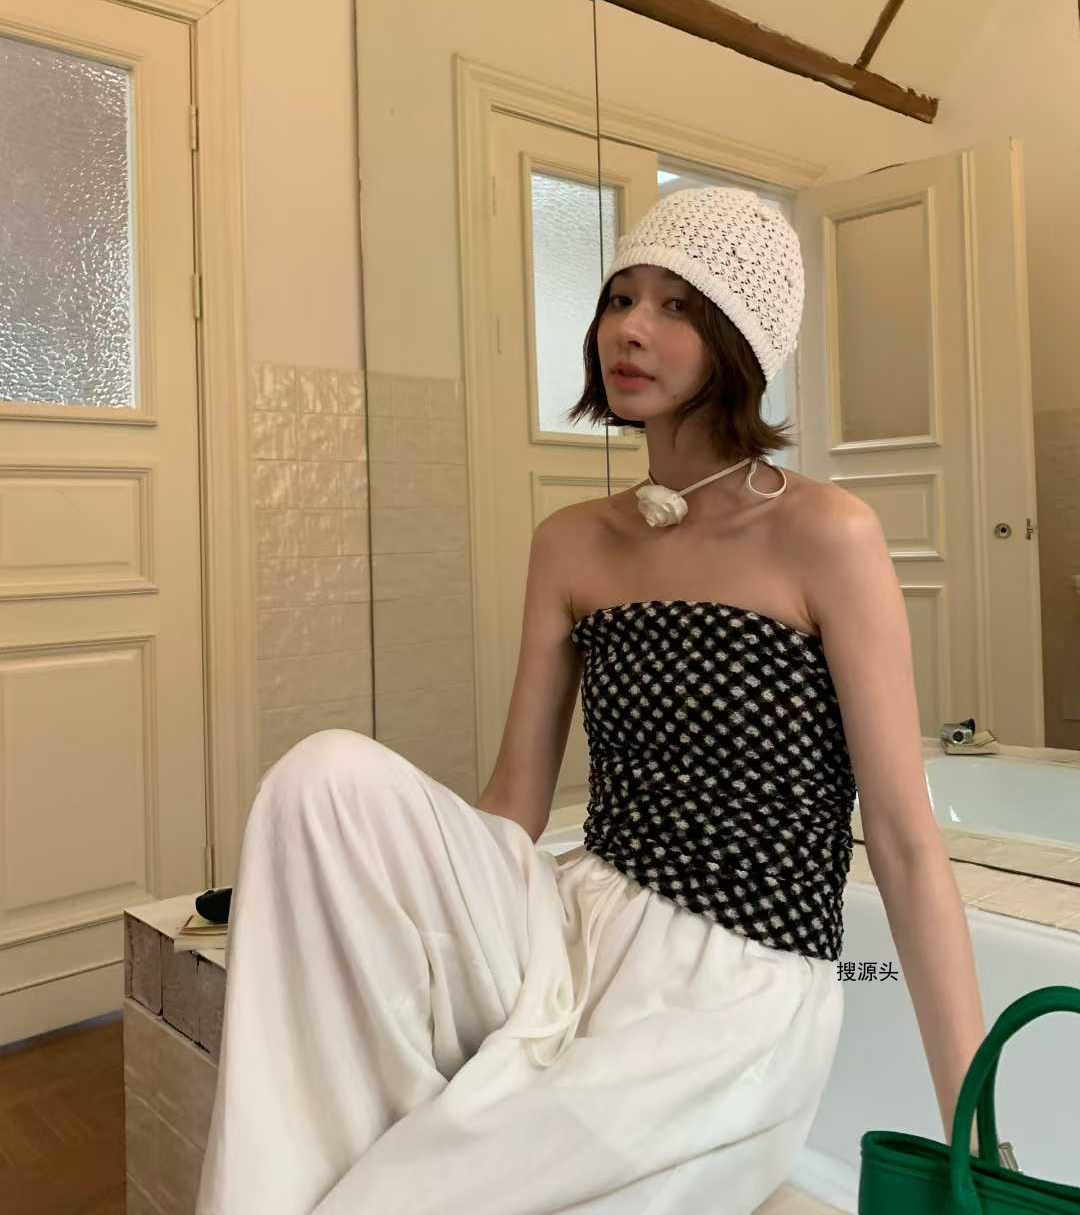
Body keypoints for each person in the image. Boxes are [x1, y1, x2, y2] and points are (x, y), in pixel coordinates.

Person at [195, 185, 987, 1215]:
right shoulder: (573, 542)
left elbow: (905, 843)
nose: (631, 328)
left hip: (733, 982)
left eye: (676, 305)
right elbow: (512, 807)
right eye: (621, 297)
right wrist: (353, 879)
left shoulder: (825, 534)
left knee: (393, 1196)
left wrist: (977, 1135)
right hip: (573, 920)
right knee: (322, 780)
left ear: (740, 339)